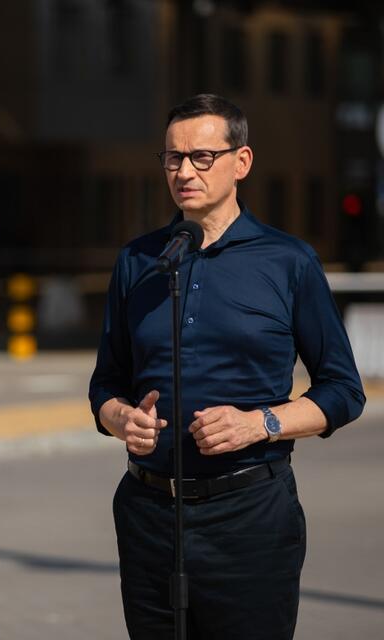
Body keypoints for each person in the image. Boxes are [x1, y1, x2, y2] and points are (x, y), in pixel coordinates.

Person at [88, 94, 365, 639]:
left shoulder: (288, 261)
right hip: (148, 516)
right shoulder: (138, 260)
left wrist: (258, 423)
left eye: (201, 157)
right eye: (172, 158)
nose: (184, 171)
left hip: (249, 519)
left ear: (241, 162)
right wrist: (119, 418)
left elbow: (343, 391)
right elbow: (106, 381)